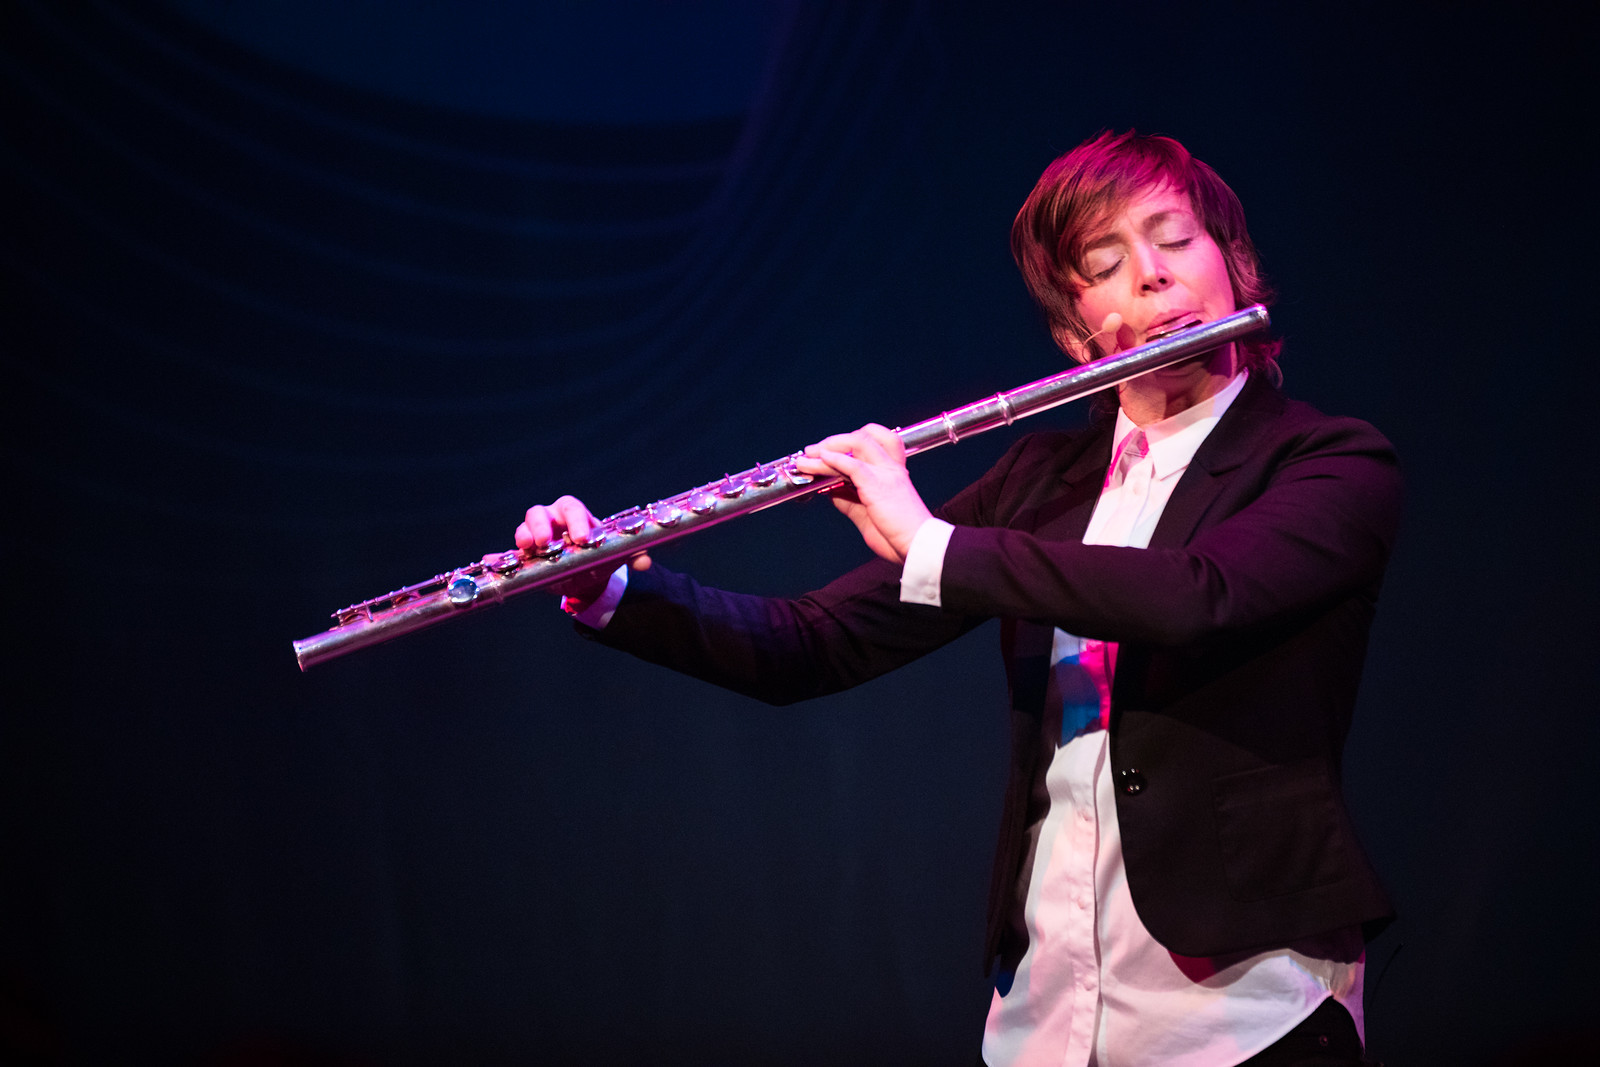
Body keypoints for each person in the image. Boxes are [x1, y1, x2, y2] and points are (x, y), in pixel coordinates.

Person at [516, 131, 1400, 1066]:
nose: (1150, 276)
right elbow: (811, 644)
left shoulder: (1330, 461)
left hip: (1247, 1014)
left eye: (1175, 241)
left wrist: (931, 538)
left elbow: (1199, 595)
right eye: (1105, 265)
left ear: (1236, 265)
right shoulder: (1044, 479)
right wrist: (611, 586)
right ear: (1075, 331)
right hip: (1048, 1016)